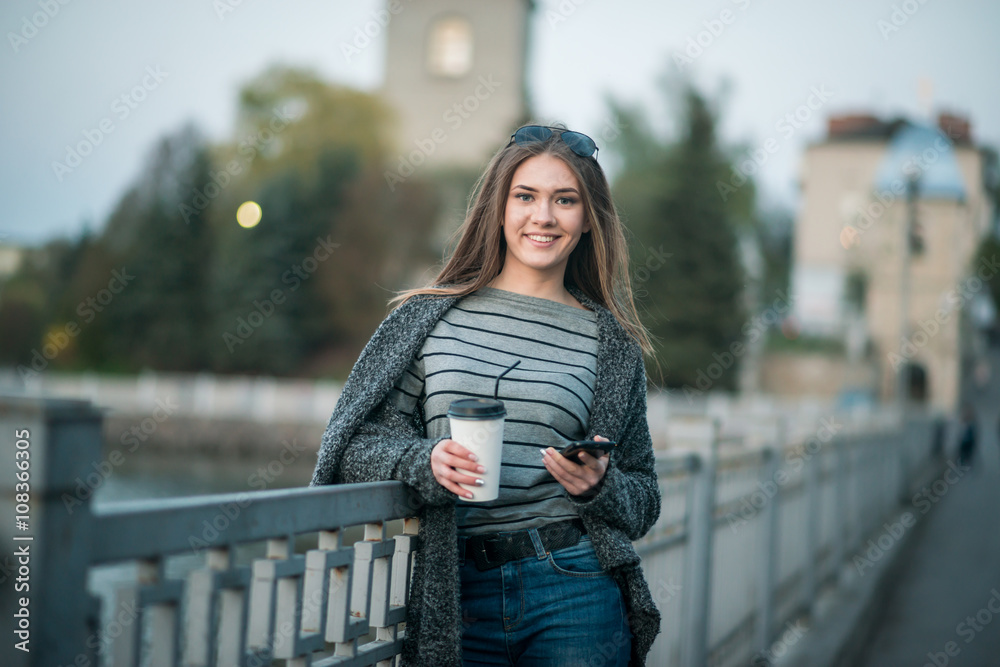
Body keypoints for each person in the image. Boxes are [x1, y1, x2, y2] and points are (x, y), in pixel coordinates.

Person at [311, 124, 662, 666]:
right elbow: (348, 448)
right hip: (454, 593)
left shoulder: (612, 345)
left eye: (564, 200)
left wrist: (600, 484)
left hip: (574, 588)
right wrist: (421, 458)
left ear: (589, 218)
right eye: (525, 197)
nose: (542, 217)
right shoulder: (426, 318)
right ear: (499, 207)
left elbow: (644, 499)